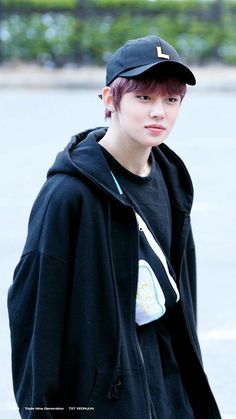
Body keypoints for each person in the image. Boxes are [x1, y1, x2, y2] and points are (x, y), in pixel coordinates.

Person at [8, 35, 222, 419]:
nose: (159, 112)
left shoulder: (172, 181)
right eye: (143, 98)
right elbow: (35, 320)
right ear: (110, 99)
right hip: (106, 401)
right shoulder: (67, 195)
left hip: (172, 392)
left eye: (170, 100)